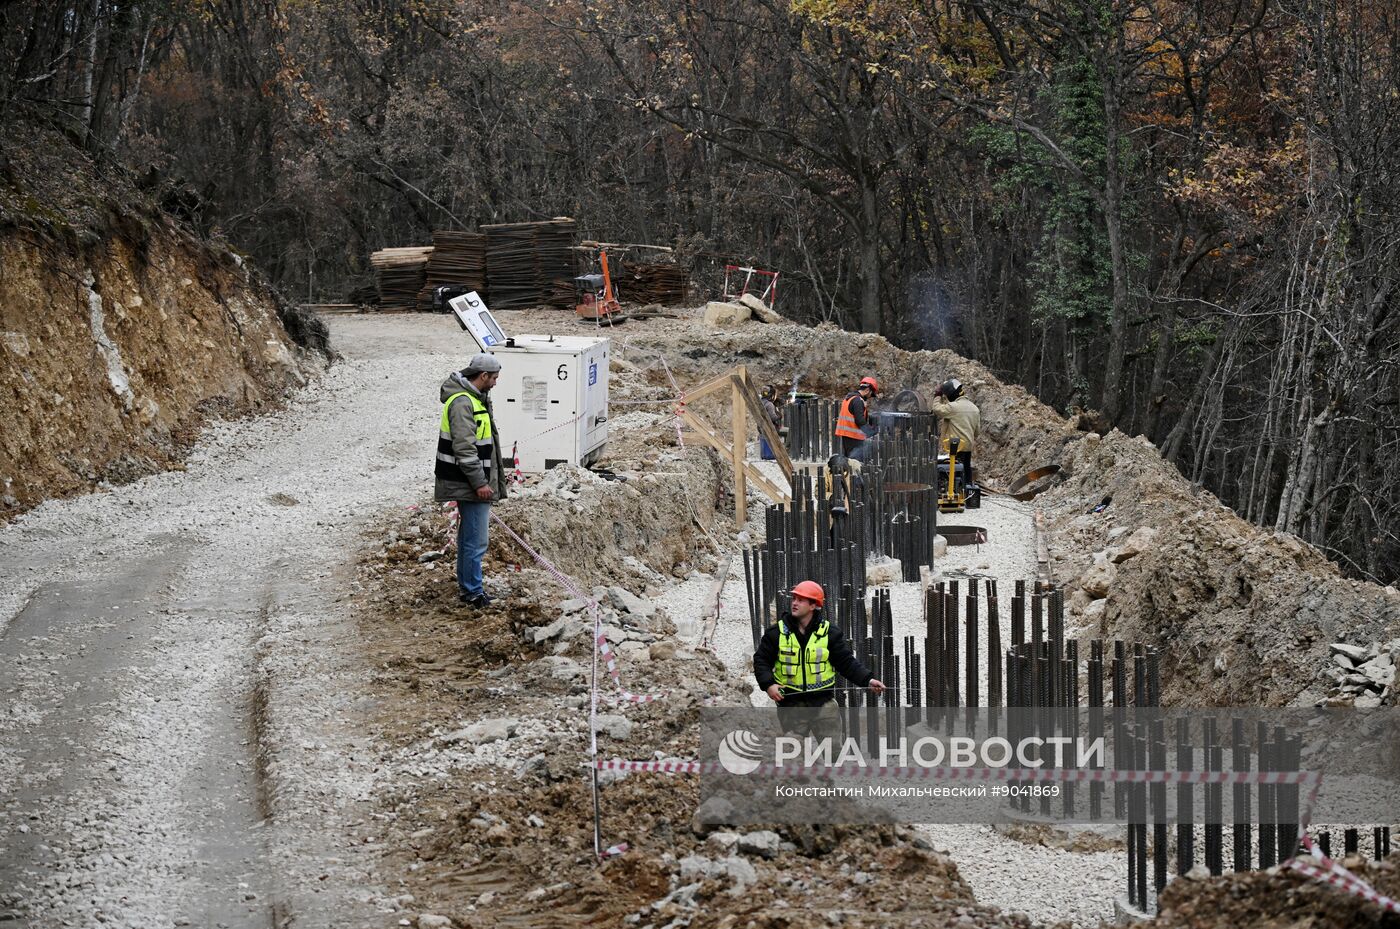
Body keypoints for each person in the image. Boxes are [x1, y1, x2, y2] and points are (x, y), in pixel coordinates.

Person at [753, 581, 885, 740]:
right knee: (792, 753)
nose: (794, 603)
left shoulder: (829, 633)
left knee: (834, 753)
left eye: (800, 600)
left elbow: (846, 662)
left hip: (823, 704)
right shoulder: (776, 633)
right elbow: (761, 661)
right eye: (794, 598)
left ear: (813, 605)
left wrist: (867, 680)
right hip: (790, 705)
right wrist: (768, 685)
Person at [434, 353, 508, 607]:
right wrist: (480, 483)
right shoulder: (463, 403)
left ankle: (470, 587)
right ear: (483, 376)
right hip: (468, 483)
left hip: (470, 481)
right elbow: (465, 449)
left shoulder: (474, 400)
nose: (496, 383)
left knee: (471, 538)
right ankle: (473, 591)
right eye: (494, 378)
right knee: (476, 541)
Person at [931, 377, 980, 483]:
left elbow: (937, 409)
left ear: (951, 395)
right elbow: (977, 432)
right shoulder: (975, 408)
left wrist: (938, 395)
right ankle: (967, 492)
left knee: (955, 471)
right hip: (968, 446)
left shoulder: (954, 407)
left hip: (956, 446)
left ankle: (954, 492)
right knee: (966, 468)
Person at [833, 376, 879, 462]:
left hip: (848, 436)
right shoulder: (857, 401)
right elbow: (860, 421)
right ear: (867, 390)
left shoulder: (850, 398)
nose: (870, 397)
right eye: (871, 394)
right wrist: (871, 432)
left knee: (850, 462)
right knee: (856, 462)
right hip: (853, 437)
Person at [759, 385, 785, 461]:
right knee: (786, 431)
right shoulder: (769, 404)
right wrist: (779, 415)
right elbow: (773, 418)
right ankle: (782, 451)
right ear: (772, 395)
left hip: (761, 428)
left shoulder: (760, 402)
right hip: (770, 429)